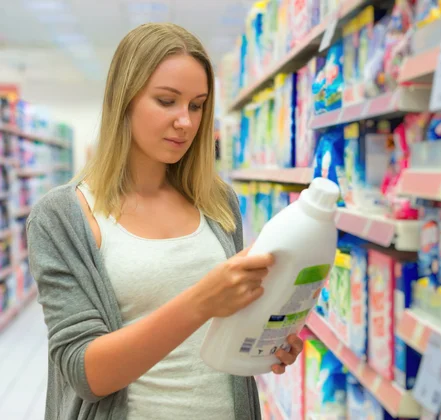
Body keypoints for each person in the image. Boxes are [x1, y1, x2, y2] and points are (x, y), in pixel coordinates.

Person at [26, 23, 303, 420]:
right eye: (167, 101)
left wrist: (263, 338)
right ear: (125, 99)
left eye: (196, 105)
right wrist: (202, 299)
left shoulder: (217, 202)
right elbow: (85, 373)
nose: (186, 122)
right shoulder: (62, 217)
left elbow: (219, 331)